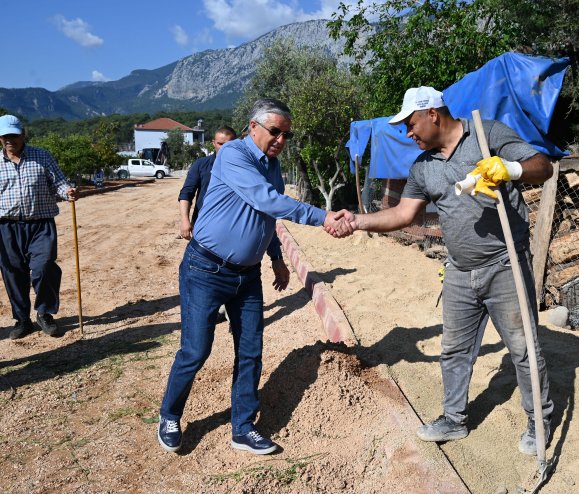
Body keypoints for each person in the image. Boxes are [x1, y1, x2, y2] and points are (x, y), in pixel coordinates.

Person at [333, 87, 555, 456]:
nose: (408, 133)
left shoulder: (488, 136)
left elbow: (542, 168)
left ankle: (539, 422)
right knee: (454, 350)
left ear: (432, 114)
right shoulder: (423, 167)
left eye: (411, 124)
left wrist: (510, 168)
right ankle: (453, 420)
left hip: (504, 265)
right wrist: (357, 221)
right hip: (458, 271)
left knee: (523, 348)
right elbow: (404, 215)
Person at [157, 98, 349, 455]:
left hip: (247, 276)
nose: (280, 139)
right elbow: (266, 200)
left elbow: (265, 217)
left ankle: (242, 428)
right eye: (275, 131)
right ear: (253, 127)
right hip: (205, 269)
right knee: (196, 350)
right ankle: (170, 414)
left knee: (250, 351)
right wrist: (321, 216)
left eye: (286, 135)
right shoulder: (233, 155)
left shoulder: (272, 166)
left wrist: (276, 258)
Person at [0, 114, 78, 339]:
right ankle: (22, 320)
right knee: (12, 273)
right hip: (6, 227)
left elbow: (60, 183)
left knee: (44, 267)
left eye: (14, 135)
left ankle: (44, 313)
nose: (9, 140)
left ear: (23, 134)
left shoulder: (42, 156)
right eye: (5, 136)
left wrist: (68, 192)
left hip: (40, 224)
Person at [177, 126, 237, 240]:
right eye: (220, 144)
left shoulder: (243, 168)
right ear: (213, 143)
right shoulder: (200, 165)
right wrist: (185, 221)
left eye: (228, 144)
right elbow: (186, 193)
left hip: (232, 229)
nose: (224, 148)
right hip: (203, 227)